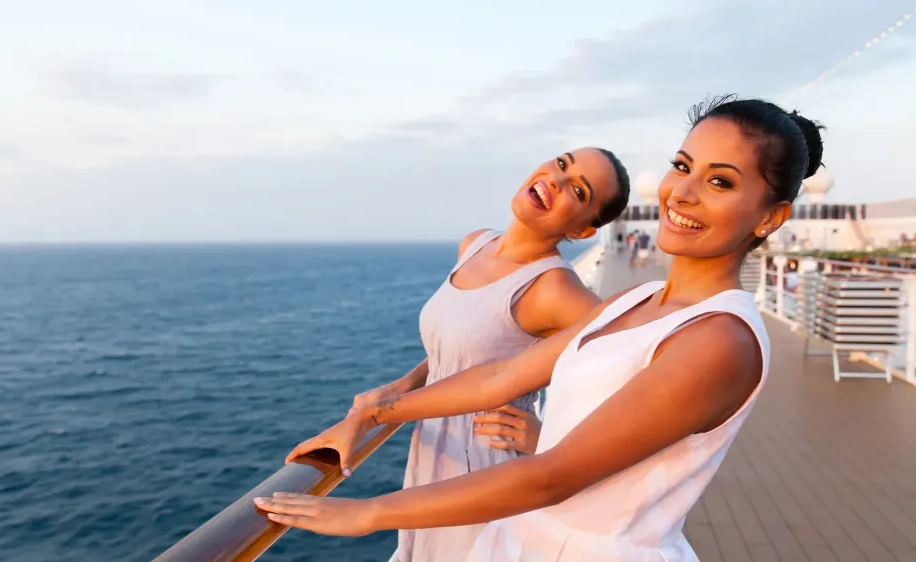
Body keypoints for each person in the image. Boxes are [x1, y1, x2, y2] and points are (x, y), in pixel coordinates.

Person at [258, 95, 824, 561]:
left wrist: (367, 512)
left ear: (771, 217)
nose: (684, 192)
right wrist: (370, 413)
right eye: (682, 167)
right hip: (524, 537)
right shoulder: (641, 298)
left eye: (720, 182)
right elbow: (500, 376)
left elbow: (552, 476)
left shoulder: (720, 339)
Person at [290, 147, 631, 562]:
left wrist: (548, 439)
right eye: (561, 164)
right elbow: (461, 347)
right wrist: (398, 387)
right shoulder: (476, 243)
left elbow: (631, 383)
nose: (557, 181)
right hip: (431, 444)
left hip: (485, 459)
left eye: (578, 191)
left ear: (581, 232)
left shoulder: (554, 290)